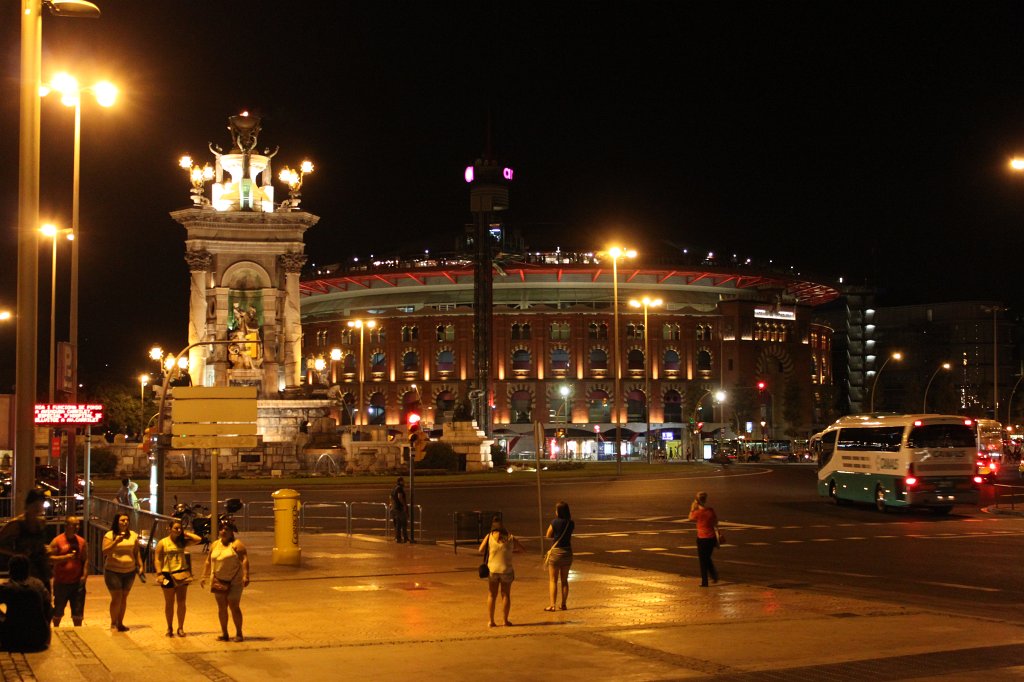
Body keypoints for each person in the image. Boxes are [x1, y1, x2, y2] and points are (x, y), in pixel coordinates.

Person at [200, 520, 250, 642]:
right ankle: (224, 633)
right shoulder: (215, 544)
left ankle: (239, 633)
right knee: (222, 607)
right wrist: (203, 576)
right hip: (218, 580)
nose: (223, 531)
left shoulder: (237, 545)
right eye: (221, 529)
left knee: (234, 606)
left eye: (227, 529)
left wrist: (246, 575)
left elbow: (244, 559)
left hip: (234, 581)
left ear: (232, 531)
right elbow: (208, 560)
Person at [154, 520, 202, 637]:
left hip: (182, 574)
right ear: (169, 528)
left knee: (181, 602)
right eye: (176, 528)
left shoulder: (182, 542)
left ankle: (180, 627)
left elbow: (198, 539)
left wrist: (186, 533)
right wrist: (159, 573)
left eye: (180, 528)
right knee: (169, 602)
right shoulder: (163, 542)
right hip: (168, 574)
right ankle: (169, 627)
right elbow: (157, 558)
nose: (178, 530)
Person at [477, 517, 524, 628]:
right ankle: (505, 621)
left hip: (492, 570)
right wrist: (511, 551)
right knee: (505, 595)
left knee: (492, 595)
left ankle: (491, 621)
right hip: (506, 570)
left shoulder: (489, 536)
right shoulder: (510, 537)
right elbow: (522, 549)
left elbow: (480, 550)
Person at [0, 489, 53, 586]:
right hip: (24, 572)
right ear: (28, 505)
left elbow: (39, 544)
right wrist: (17, 554)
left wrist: (46, 548)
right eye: (35, 504)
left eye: (40, 504)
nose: (38, 508)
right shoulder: (17, 524)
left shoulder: (41, 523)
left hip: (41, 571)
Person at [0, 555, 52, 651]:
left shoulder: (7, 588)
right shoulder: (39, 585)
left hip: (12, 639)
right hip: (39, 639)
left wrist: (3, 618)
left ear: (10, 571)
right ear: (28, 570)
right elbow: (48, 609)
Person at [101, 512, 143, 631]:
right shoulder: (110, 535)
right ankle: (113, 623)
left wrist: (141, 565)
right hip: (113, 571)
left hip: (129, 571)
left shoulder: (133, 535)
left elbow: (136, 552)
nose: (125, 522)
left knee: (124, 597)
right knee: (117, 597)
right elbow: (105, 551)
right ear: (117, 522)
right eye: (122, 520)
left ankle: (120, 623)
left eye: (127, 520)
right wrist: (116, 542)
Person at [49, 515, 88, 627]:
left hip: (77, 584)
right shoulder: (57, 541)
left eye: (78, 525)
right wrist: (65, 558)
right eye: (74, 525)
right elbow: (49, 559)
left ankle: (78, 630)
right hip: (61, 583)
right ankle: (56, 630)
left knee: (78, 613)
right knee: (58, 611)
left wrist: (84, 575)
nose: (77, 527)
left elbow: (85, 559)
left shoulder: (81, 541)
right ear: (66, 526)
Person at [544, 501, 574, 611]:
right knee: (564, 580)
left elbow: (548, 535)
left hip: (556, 553)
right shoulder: (571, 523)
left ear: (559, 511)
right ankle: (564, 604)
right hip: (567, 552)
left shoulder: (554, 522)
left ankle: (552, 605)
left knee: (553, 580)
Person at [688, 491, 720, 587]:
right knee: (707, 558)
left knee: (703, 560)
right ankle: (713, 575)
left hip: (702, 538)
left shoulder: (697, 513)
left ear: (697, 502)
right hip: (712, 537)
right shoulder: (710, 510)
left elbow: (690, 518)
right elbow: (716, 522)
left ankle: (705, 581)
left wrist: (692, 508)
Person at [391, 477, 409, 543]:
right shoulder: (400, 489)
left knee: (398, 524)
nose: (404, 482)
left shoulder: (394, 489)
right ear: (400, 482)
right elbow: (400, 497)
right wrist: (404, 505)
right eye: (403, 481)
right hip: (399, 509)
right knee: (404, 524)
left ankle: (398, 538)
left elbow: (391, 498)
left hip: (394, 508)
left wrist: (392, 506)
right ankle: (405, 538)